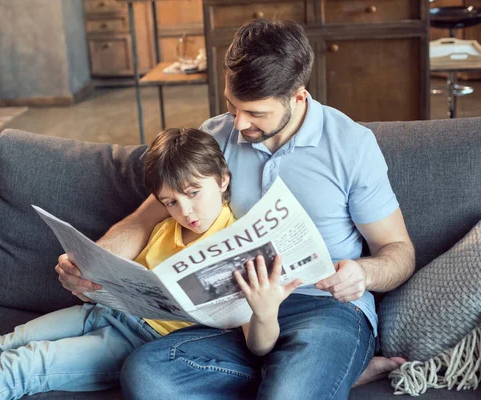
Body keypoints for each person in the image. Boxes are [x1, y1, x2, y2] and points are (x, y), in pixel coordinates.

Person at [56, 19, 415, 400]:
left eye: (255, 113)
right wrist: (92, 265)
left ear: (298, 96)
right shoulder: (216, 135)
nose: (239, 123)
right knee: (146, 374)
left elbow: (399, 253)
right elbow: (145, 218)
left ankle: (308, 375)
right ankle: (325, 376)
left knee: (288, 396)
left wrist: (362, 273)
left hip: (323, 310)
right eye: (232, 105)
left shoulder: (352, 147)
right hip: (233, 315)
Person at [0, 128, 299, 400]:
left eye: (193, 193)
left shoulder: (240, 244)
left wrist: (265, 312)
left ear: (222, 180)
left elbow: (259, 345)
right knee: (4, 343)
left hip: (141, 342)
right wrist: (88, 275)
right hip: (103, 312)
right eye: (171, 201)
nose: (185, 210)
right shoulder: (166, 220)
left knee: (24, 366)